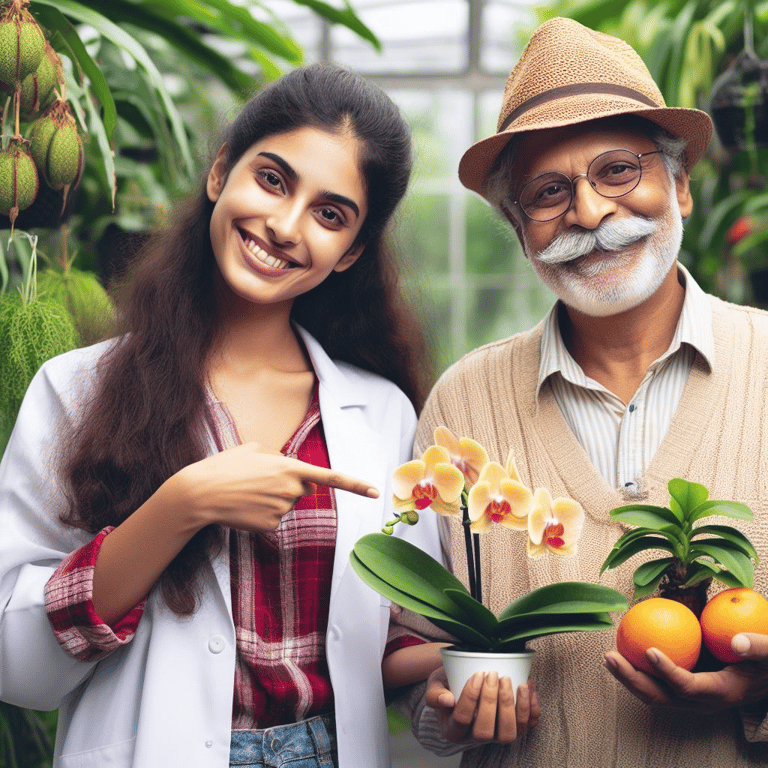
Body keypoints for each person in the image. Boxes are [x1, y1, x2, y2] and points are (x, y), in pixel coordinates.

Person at [0, 63, 444, 768]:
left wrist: (454, 678)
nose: (284, 224)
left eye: (330, 214)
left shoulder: (382, 413)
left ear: (350, 253)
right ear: (219, 174)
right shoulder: (75, 391)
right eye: (272, 179)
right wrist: (182, 504)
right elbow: (17, 664)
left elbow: (393, 633)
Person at [399, 17, 768, 768]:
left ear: (682, 187)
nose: (591, 213)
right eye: (547, 192)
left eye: (618, 171)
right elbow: (417, 656)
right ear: (518, 228)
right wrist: (448, 714)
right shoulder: (464, 408)